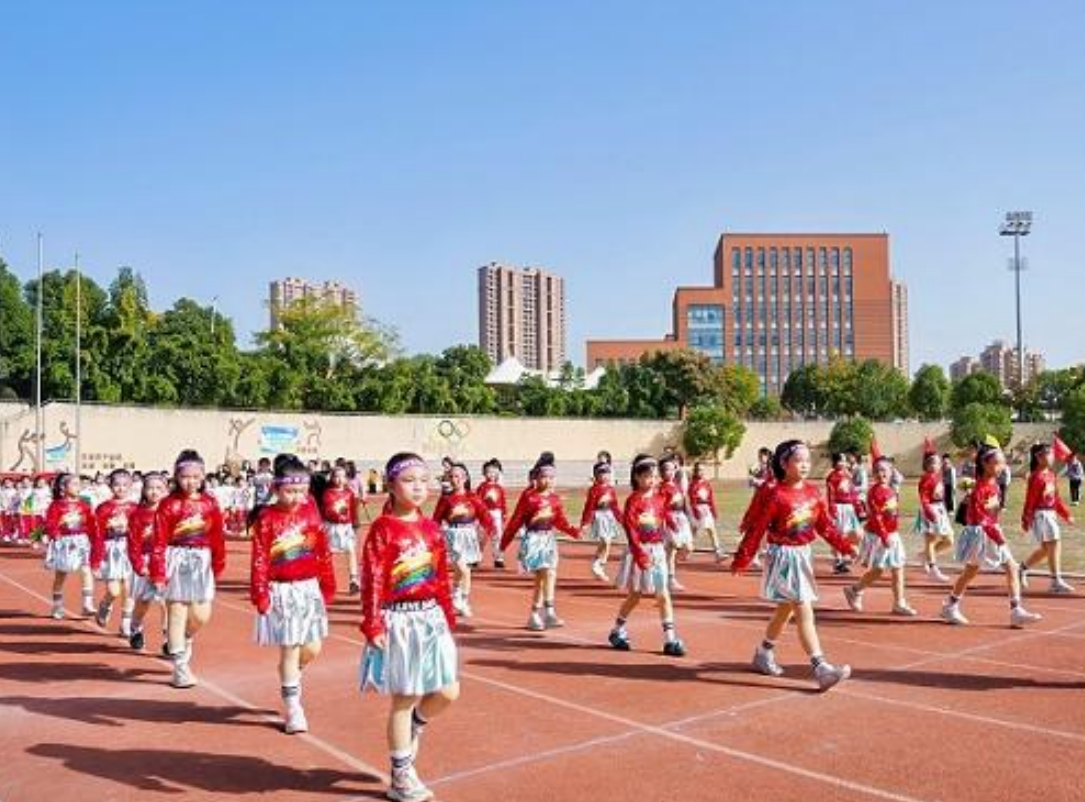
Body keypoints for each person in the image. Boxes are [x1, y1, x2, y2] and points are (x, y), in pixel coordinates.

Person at [359, 452, 459, 802]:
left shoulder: (432, 529)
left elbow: (441, 576)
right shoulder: (382, 529)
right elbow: (372, 579)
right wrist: (372, 624)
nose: (418, 488)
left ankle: (416, 725)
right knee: (404, 697)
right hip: (398, 620)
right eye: (408, 480)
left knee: (448, 691)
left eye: (423, 480)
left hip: (430, 617)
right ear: (391, 485)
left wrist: (448, 616)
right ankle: (400, 775)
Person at [732, 440, 855, 692]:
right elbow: (758, 528)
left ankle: (763, 652)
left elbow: (825, 526)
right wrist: (744, 556)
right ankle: (820, 667)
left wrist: (844, 546)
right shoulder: (776, 494)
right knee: (803, 608)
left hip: (803, 554)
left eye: (808, 460)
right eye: (799, 460)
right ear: (784, 464)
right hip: (783, 556)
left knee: (785, 609)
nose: (805, 465)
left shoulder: (812, 493)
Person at [251, 455, 336, 734]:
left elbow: (322, 551)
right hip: (281, 591)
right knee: (290, 649)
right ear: (276, 488)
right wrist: (261, 593)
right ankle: (293, 707)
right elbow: (260, 558)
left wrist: (328, 584)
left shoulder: (311, 514)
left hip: (308, 588)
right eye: (290, 491)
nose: (296, 496)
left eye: (301, 491)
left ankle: (291, 677)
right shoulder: (267, 518)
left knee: (312, 648)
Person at [941, 441, 1041, 628]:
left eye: (1003, 462)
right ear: (985, 464)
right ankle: (1013, 610)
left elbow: (992, 514)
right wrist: (999, 538)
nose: (1002, 466)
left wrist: (997, 529)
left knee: (988, 570)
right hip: (981, 534)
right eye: (997, 463)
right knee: (986, 570)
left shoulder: (994, 485)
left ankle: (952, 605)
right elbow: (982, 520)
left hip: (990, 531)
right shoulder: (980, 489)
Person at [150, 450, 227, 688]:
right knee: (177, 611)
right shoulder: (167, 505)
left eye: (196, 476)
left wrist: (217, 565)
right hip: (176, 557)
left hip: (202, 561)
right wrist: (159, 573)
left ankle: (184, 638)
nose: (190, 481)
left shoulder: (210, 503)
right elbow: (159, 542)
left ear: (203, 476)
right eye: (185, 476)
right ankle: (180, 668)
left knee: (201, 615)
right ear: (176, 476)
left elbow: (217, 538)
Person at [608, 454, 686, 656]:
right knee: (635, 595)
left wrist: (675, 528)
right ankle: (617, 630)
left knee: (663, 594)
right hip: (639, 551)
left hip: (658, 551)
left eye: (654, 475)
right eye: (646, 476)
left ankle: (670, 639)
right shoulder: (633, 501)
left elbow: (665, 512)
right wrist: (640, 554)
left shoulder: (660, 497)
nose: (651, 480)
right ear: (636, 477)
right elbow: (631, 530)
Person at [500, 452, 580, 631]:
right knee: (545, 573)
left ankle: (539, 613)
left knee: (546, 575)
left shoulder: (555, 499)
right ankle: (546, 611)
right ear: (537, 478)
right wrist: (503, 544)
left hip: (548, 539)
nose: (548, 481)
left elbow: (560, 521)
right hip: (534, 539)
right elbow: (515, 521)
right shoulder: (529, 497)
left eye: (552, 477)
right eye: (544, 477)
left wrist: (574, 532)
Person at [843, 456, 917, 616]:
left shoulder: (891, 490)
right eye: (876, 470)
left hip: (892, 535)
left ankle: (899, 602)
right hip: (879, 536)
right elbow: (876, 517)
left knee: (898, 568)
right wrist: (884, 536)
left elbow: (892, 513)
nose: (880, 473)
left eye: (884, 470)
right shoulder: (874, 492)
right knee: (878, 570)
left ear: (891, 472)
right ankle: (854, 590)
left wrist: (893, 533)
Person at [431, 463, 495, 617]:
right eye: (451, 476)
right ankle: (463, 601)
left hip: (469, 535)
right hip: (453, 535)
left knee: (463, 568)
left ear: (465, 478)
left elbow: (486, 518)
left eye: (458, 476)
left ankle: (456, 594)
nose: (455, 479)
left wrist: (485, 533)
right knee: (463, 568)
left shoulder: (473, 498)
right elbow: (436, 520)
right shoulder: (446, 499)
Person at [1019, 443, 1075, 594]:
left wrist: (1066, 514)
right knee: (1053, 545)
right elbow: (1029, 501)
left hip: (1050, 514)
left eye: (1051, 453)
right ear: (1038, 457)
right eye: (1048, 454)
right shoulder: (1036, 477)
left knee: (1046, 549)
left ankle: (1023, 568)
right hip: (1040, 515)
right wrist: (1026, 519)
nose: (1051, 456)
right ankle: (1056, 581)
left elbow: (1056, 499)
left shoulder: (1051, 475)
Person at [43, 473, 98, 619]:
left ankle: (87, 603)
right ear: (63, 487)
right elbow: (50, 524)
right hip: (64, 542)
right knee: (61, 575)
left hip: (81, 540)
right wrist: (59, 527)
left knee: (86, 570)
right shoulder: (56, 505)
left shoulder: (84, 505)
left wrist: (94, 540)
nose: (77, 487)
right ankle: (57, 605)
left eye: (79, 484)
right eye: (74, 484)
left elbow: (91, 524)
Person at [91, 469, 138, 636]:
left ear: (131, 486)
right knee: (114, 590)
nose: (121, 488)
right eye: (117, 484)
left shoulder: (135, 508)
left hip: (129, 550)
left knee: (129, 587)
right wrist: (95, 561)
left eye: (125, 485)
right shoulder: (103, 508)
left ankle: (126, 622)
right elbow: (97, 535)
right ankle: (105, 605)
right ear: (111, 486)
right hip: (110, 550)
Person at [126, 472, 170, 651]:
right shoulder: (137, 515)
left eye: (159, 488)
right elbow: (133, 543)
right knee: (143, 602)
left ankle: (170, 639)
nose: (154, 492)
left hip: (166, 561)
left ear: (166, 490)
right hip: (145, 561)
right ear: (143, 490)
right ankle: (136, 628)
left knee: (167, 602)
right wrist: (138, 564)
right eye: (150, 488)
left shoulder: (171, 512)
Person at [320, 464, 364, 595]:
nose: (339, 479)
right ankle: (327, 580)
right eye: (336, 476)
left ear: (346, 478)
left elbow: (353, 509)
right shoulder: (328, 493)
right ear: (332, 478)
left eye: (342, 476)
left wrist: (355, 521)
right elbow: (327, 510)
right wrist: (337, 513)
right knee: (328, 554)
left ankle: (354, 580)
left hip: (346, 527)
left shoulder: (349, 493)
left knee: (351, 551)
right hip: (332, 527)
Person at [580, 460, 624, 581]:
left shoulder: (611, 489)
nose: (605, 476)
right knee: (605, 540)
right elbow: (589, 507)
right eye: (602, 473)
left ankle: (599, 565)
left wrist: (622, 520)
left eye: (607, 473)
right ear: (596, 475)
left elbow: (615, 506)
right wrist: (585, 523)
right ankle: (598, 563)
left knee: (607, 542)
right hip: (599, 517)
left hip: (609, 516)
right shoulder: (593, 490)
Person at [915, 450, 954, 582]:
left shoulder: (938, 476)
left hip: (940, 509)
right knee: (930, 540)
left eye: (937, 462)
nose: (936, 465)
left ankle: (924, 556)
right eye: (932, 462)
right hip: (929, 510)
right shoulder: (926, 479)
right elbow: (923, 498)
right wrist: (929, 512)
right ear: (926, 465)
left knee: (949, 540)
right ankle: (933, 569)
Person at [659, 454, 693, 591]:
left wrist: (688, 515)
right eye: (667, 469)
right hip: (670, 519)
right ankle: (670, 578)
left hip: (681, 519)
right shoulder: (662, 488)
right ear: (661, 472)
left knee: (688, 548)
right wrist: (670, 522)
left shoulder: (677, 486)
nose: (671, 472)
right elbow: (661, 508)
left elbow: (684, 501)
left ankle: (665, 567)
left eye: (673, 469)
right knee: (671, 549)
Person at [826, 453, 862, 574]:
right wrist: (832, 510)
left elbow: (853, 493)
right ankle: (838, 560)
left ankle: (847, 555)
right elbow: (830, 495)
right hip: (838, 507)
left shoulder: (848, 475)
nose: (843, 463)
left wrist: (859, 508)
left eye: (845, 461)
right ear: (835, 463)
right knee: (839, 534)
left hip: (849, 508)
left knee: (858, 534)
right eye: (840, 461)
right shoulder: (832, 477)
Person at [688, 461, 725, 561]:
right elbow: (692, 499)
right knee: (693, 531)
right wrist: (696, 512)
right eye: (699, 470)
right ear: (695, 471)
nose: (701, 472)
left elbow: (711, 498)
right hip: (698, 510)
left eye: (703, 470)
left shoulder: (706, 483)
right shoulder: (693, 484)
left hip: (706, 509)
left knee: (711, 530)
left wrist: (714, 511)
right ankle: (687, 550)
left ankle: (718, 553)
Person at [475, 459, 508, 569]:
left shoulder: (499, 488)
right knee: (481, 537)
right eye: (489, 472)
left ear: (498, 473)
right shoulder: (482, 487)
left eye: (494, 472)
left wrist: (504, 513)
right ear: (484, 473)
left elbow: (503, 501)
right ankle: (476, 557)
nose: (491, 474)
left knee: (497, 536)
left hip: (496, 513)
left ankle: (498, 558)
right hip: (485, 514)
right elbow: (477, 501)